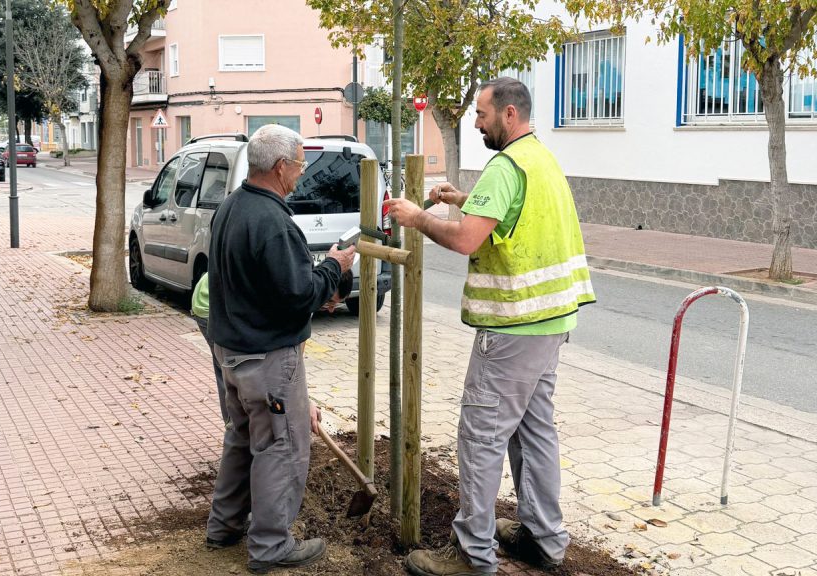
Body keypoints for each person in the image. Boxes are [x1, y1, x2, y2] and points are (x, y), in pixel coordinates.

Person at [384, 77, 596, 576]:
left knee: (481, 435)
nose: (475, 122)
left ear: (509, 115)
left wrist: (417, 218)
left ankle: (473, 554)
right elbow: (509, 217)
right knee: (534, 432)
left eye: (481, 114)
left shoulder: (504, 166)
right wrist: (463, 199)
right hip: (549, 325)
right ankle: (544, 539)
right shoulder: (539, 158)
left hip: (512, 330)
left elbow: (466, 242)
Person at [205, 124, 356, 574]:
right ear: (280, 166)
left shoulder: (230, 207)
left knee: (241, 438)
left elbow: (264, 283)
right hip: (267, 358)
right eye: (299, 166)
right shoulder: (272, 221)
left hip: (231, 350)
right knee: (281, 448)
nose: (302, 174)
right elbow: (297, 295)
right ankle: (270, 546)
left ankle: (224, 527)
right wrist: (333, 267)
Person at [191, 268, 353, 433]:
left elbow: (294, 360)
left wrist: (301, 398)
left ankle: (241, 434)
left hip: (227, 293)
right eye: (330, 302)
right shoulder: (302, 292)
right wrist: (304, 400)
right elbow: (290, 362)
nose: (332, 310)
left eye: (337, 304)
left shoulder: (308, 283)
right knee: (236, 370)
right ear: (326, 286)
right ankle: (239, 433)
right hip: (211, 302)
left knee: (240, 371)